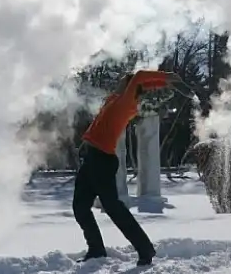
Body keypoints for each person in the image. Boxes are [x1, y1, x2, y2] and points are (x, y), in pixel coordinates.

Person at [73, 69, 181, 266]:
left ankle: (144, 248)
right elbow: (142, 83)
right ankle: (96, 249)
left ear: (131, 88)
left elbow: (139, 77)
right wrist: (159, 84)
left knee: (113, 207)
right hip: (91, 158)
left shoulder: (125, 104)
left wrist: (166, 77)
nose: (121, 79)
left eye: (125, 79)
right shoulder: (115, 99)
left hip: (101, 160)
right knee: (80, 207)